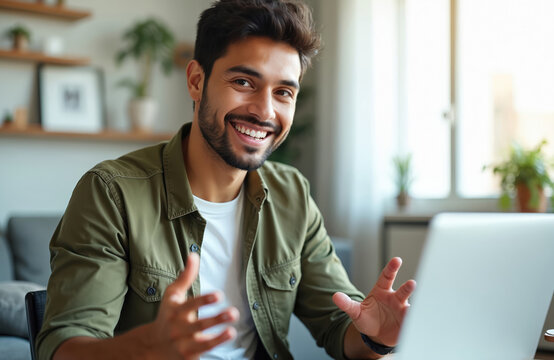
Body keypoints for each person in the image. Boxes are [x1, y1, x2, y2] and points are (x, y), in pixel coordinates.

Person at [37, 0, 416, 359]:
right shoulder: (112, 192)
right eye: (244, 82)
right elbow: (63, 346)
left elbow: (339, 325)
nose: (265, 111)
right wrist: (145, 349)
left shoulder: (292, 194)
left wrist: (375, 337)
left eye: (284, 92)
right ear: (197, 81)